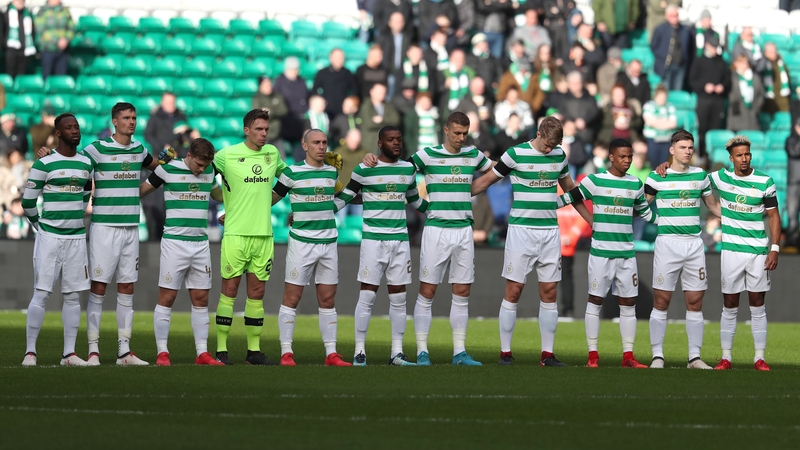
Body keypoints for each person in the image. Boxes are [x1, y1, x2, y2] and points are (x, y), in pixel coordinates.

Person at [364, 112, 493, 366]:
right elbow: (400, 169)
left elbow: (495, 170)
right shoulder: (427, 155)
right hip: (436, 230)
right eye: (457, 133)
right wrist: (372, 159)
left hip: (464, 230)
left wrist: (474, 188)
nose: (461, 138)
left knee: (462, 291)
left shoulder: (473, 155)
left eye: (465, 133)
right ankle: (422, 351)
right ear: (446, 130)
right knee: (427, 290)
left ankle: (459, 352)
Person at [470, 116, 590, 366]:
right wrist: (453, 196)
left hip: (549, 232)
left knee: (549, 291)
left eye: (553, 145)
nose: (549, 149)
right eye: (546, 144)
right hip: (521, 231)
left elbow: (571, 190)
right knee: (514, 290)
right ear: (538, 133)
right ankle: (505, 353)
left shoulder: (559, 156)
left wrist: (591, 220)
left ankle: (547, 355)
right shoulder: (514, 154)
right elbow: (486, 181)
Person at [335, 126, 428, 365]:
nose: (396, 143)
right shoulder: (364, 169)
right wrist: (314, 212)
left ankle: (397, 352)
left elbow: (415, 201)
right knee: (367, 296)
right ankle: (359, 351)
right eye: (390, 139)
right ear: (379, 143)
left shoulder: (408, 169)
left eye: (399, 139)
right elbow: (346, 197)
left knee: (399, 298)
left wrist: (442, 209)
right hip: (373, 240)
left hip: (400, 241)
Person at [569, 138, 658, 368]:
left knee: (628, 303)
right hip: (601, 253)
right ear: (611, 157)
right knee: (595, 300)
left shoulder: (635, 183)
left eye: (630, 156)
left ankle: (628, 356)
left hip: (626, 254)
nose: (627, 160)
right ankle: (592, 356)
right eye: (622, 156)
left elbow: (644, 212)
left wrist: (668, 220)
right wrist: (588, 218)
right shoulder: (595, 180)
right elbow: (571, 197)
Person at [212, 109, 289, 366]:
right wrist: (226, 202)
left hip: (263, 235)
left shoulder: (272, 154)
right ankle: (221, 350)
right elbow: (203, 174)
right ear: (246, 130)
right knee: (229, 291)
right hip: (236, 234)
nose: (264, 133)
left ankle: (253, 351)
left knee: (257, 292)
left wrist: (271, 201)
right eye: (258, 129)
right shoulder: (226, 155)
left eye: (266, 129)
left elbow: (289, 178)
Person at [140, 138, 225, 366]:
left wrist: (234, 207)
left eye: (205, 166)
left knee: (201, 299)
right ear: (188, 155)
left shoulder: (209, 171)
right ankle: (162, 352)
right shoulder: (167, 169)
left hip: (200, 244)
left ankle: (202, 353)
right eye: (198, 164)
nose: (201, 170)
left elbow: (220, 196)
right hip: (175, 243)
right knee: (167, 297)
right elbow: (141, 191)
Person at [272, 129, 351, 367]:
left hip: (328, 243)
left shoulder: (331, 172)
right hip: (302, 243)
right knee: (292, 297)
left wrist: (333, 207)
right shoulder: (291, 173)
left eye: (324, 142)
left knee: (328, 299)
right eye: (316, 142)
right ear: (305, 146)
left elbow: (339, 197)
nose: (321, 146)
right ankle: (286, 352)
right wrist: (237, 212)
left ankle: (331, 354)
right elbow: (271, 199)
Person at [645, 130, 721, 369]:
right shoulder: (657, 177)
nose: (687, 151)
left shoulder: (700, 175)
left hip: (694, 244)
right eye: (682, 147)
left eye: (690, 147)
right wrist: (656, 220)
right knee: (661, 300)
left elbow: (713, 206)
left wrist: (740, 217)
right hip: (668, 243)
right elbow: (640, 205)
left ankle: (694, 358)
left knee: (695, 301)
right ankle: (657, 356)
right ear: (672, 150)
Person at [21, 114, 93, 366]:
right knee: (41, 293)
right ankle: (30, 352)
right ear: (58, 133)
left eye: (77, 126)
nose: (75, 131)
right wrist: (39, 225)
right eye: (69, 128)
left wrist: (74, 218)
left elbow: (85, 194)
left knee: (72, 296)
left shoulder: (86, 163)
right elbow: (27, 202)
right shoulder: (44, 164)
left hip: (76, 239)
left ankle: (69, 354)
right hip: (49, 238)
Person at [709, 135, 780, 371]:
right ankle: (726, 358)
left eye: (747, 154)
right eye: (739, 155)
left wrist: (774, 248)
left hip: (758, 252)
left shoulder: (765, 181)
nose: (744, 158)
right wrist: (667, 166)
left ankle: (759, 358)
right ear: (731, 158)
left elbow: (774, 216)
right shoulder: (721, 178)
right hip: (731, 251)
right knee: (729, 304)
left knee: (757, 304)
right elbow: (695, 180)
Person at [690, 35, 729, 158]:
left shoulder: (722, 62)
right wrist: (704, 86)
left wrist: (722, 87)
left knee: (715, 129)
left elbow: (727, 80)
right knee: (702, 129)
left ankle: (712, 157)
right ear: (707, 45)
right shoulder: (699, 61)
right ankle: (701, 155)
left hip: (717, 100)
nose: (714, 49)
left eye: (716, 47)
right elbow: (692, 80)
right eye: (712, 46)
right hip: (703, 99)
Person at [650, 5, 692, 91]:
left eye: (676, 15)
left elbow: (689, 48)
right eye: (672, 16)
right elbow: (654, 46)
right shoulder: (660, 29)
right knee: (666, 90)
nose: (674, 18)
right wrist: (662, 56)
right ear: (666, 16)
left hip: (680, 66)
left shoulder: (685, 30)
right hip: (666, 66)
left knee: (677, 90)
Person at [274, 56, 309, 148]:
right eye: (292, 69)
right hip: (286, 121)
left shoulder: (301, 81)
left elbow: (306, 98)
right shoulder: (279, 82)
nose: (294, 72)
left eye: (296, 69)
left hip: (301, 121)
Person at [312, 48, 357, 118]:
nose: (339, 60)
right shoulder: (322, 73)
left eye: (341, 58)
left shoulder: (348, 73)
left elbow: (355, 91)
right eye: (337, 58)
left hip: (343, 112)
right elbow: (314, 91)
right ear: (331, 58)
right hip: (326, 112)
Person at [34, 0, 74, 79]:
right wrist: (57, 41)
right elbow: (41, 30)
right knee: (47, 76)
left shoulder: (65, 11)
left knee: (61, 78)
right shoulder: (42, 11)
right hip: (47, 49)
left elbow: (71, 27)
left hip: (63, 50)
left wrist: (66, 39)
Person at [358, 83, 401, 156]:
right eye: (379, 92)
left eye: (384, 92)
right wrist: (387, 125)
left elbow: (396, 121)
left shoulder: (389, 106)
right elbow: (369, 124)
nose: (382, 94)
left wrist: (382, 120)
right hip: (370, 144)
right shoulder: (366, 106)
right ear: (371, 92)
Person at [642, 85, 678, 169]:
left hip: (666, 140)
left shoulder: (670, 107)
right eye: (660, 96)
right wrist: (665, 123)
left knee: (663, 164)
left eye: (664, 97)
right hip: (652, 140)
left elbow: (673, 124)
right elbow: (649, 121)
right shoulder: (649, 106)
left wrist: (657, 122)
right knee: (652, 163)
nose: (662, 99)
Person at [377, 12, 411, 97]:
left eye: (400, 21)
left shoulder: (407, 37)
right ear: (390, 23)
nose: (398, 24)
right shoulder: (383, 37)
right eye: (396, 21)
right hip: (387, 71)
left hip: (403, 72)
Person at [727, 53, 764, 132]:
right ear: (735, 63)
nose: (744, 64)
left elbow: (761, 93)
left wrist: (757, 106)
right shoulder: (731, 76)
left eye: (746, 62)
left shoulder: (755, 77)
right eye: (741, 62)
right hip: (737, 112)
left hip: (752, 113)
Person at [597, 84, 642, 148]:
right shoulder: (606, 108)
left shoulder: (631, 107)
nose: (620, 97)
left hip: (629, 140)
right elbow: (601, 120)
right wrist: (614, 123)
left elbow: (638, 122)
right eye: (617, 95)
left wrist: (629, 124)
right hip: (610, 139)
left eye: (622, 94)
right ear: (612, 95)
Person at [1, 0, 36, 79]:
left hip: (25, 49)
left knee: (21, 74)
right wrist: (4, 43)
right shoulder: (6, 13)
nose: (20, 3)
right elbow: (2, 30)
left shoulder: (27, 14)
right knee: (10, 73)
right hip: (10, 49)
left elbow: (33, 31)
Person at [251, 76, 288, 151]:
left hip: (277, 133)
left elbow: (284, 110)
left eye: (269, 84)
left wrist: (271, 112)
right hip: (263, 135)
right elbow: (257, 115)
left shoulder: (277, 96)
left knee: (280, 156)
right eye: (266, 85)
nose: (269, 87)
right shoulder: (257, 98)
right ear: (260, 86)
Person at [761, 43, 792, 114]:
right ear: (765, 53)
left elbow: (788, 80)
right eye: (771, 52)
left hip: (782, 100)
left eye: (775, 51)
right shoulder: (762, 65)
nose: (774, 54)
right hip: (767, 102)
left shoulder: (781, 64)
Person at [785, 119, 800, 248]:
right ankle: (792, 241)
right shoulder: (790, 140)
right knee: (792, 213)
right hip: (793, 182)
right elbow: (793, 151)